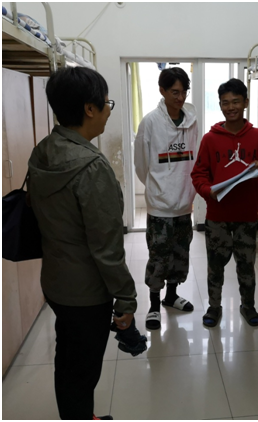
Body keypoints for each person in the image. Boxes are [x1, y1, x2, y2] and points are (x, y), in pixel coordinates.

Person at [28, 67, 137, 421]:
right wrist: (126, 299)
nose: (108, 111)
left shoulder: (43, 151)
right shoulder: (91, 167)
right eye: (107, 103)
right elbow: (106, 247)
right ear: (89, 109)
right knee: (82, 373)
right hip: (87, 293)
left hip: (56, 282)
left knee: (69, 359)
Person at [191, 78, 258, 327]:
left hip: (246, 216)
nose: (230, 107)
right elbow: (198, 174)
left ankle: (248, 306)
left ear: (245, 103)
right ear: (220, 105)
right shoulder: (210, 139)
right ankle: (214, 307)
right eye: (225, 103)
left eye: (236, 102)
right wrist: (208, 191)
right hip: (217, 216)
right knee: (215, 266)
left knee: (246, 265)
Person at [134, 67, 198, 330]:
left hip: (184, 203)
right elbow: (141, 165)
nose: (180, 97)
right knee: (158, 257)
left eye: (184, 92)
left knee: (180, 254)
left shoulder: (192, 121)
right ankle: (153, 305)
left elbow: (194, 159)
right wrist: (157, 188)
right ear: (162, 91)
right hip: (160, 206)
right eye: (174, 92)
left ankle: (171, 296)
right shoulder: (150, 122)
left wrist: (187, 191)